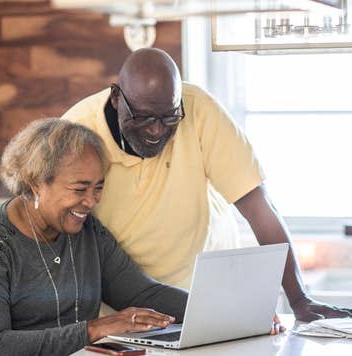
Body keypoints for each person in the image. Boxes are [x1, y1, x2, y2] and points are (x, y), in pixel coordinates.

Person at [61, 48, 352, 322]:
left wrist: (299, 300)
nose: (156, 130)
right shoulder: (76, 132)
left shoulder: (199, 109)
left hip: (202, 288)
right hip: (120, 308)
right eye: (144, 117)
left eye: (169, 117)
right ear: (116, 97)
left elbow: (259, 207)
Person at [0, 119, 188, 356]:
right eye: (79, 189)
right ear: (36, 184)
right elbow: (0, 344)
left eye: (98, 187)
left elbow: (142, 294)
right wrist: (93, 329)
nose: (91, 201)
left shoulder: (88, 231)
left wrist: (215, 308)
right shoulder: (1, 244)